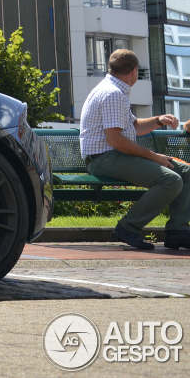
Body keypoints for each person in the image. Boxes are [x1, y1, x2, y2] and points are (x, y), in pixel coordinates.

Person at [78, 48, 190, 250]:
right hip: (104, 158)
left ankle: (178, 231)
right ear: (134, 71)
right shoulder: (112, 94)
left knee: (186, 172)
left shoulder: (114, 89)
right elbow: (116, 141)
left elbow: (135, 127)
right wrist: (154, 157)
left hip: (112, 156)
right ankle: (128, 227)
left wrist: (158, 120)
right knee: (171, 180)